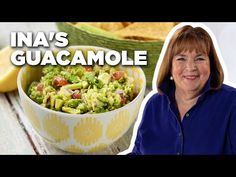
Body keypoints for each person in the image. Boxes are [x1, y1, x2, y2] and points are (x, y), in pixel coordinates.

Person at [130, 24, 236, 155]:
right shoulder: (154, 104)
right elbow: (138, 153)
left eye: (200, 58)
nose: (190, 67)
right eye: (181, 58)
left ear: (211, 64)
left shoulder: (232, 103)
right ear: (170, 66)